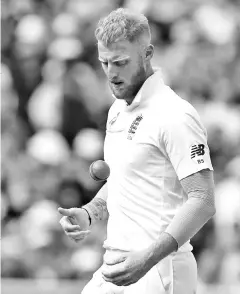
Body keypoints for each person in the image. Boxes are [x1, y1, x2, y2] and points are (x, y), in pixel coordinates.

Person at [58, 8, 216, 294]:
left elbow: (203, 200)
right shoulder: (117, 110)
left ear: (148, 53)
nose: (111, 73)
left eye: (120, 62)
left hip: (161, 269)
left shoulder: (175, 114)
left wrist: (146, 259)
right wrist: (90, 212)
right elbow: (120, 181)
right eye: (104, 63)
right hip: (116, 263)